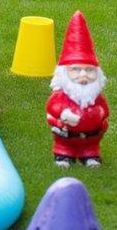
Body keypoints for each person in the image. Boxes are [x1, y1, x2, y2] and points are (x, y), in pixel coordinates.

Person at [46, 11, 109, 168]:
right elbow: (53, 107)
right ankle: (64, 154)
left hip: (92, 138)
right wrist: (63, 113)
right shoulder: (61, 97)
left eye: (89, 70)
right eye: (76, 70)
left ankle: (90, 154)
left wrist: (101, 114)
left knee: (90, 149)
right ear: (65, 73)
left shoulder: (96, 97)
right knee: (64, 147)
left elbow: (104, 110)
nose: (83, 75)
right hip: (66, 134)